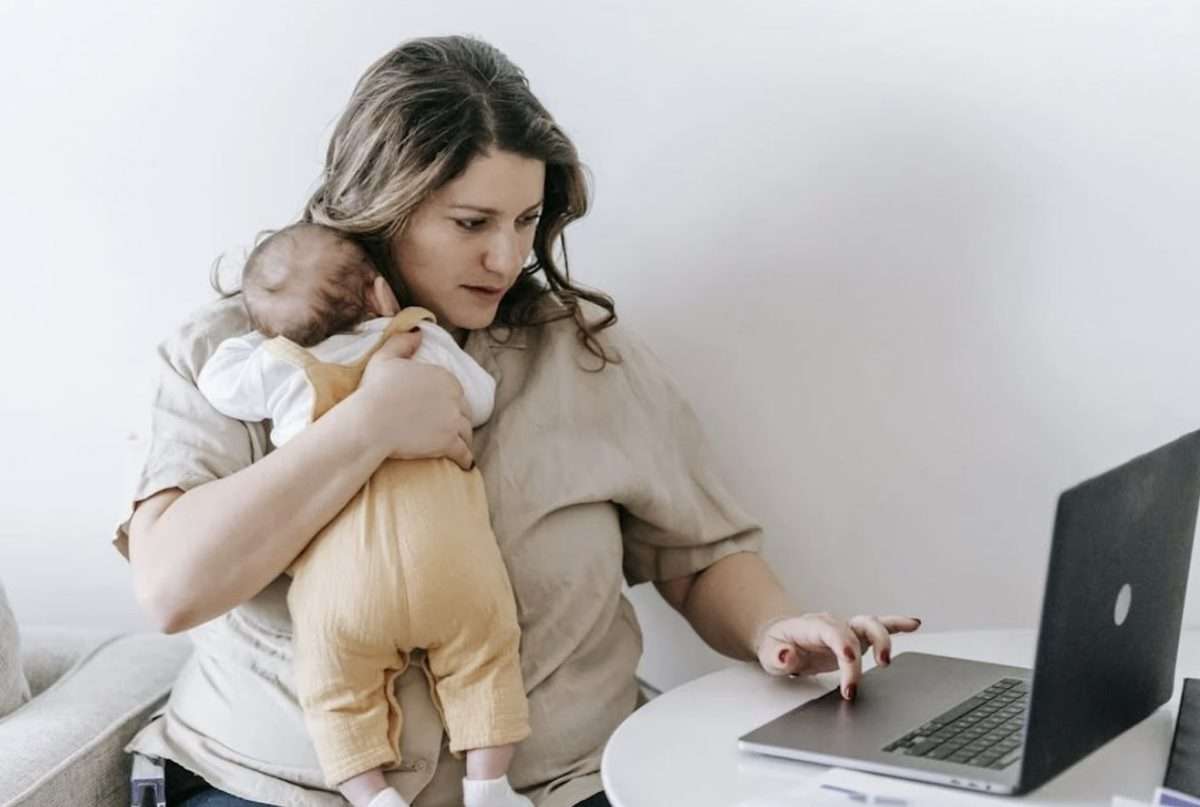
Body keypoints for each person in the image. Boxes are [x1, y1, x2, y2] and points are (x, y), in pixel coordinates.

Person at [117, 35, 921, 807]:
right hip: (280, 786)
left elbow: (698, 555)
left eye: (525, 221)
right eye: (471, 223)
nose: (506, 258)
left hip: (564, 783)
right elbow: (173, 587)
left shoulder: (583, 357)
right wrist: (365, 427)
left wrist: (776, 627)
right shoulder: (234, 356)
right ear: (380, 207)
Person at [196, 222, 533, 807]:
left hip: (344, 585)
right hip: (450, 561)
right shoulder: (418, 338)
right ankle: (489, 787)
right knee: (487, 657)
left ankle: (371, 794)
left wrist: (262, 337)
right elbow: (479, 399)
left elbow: (219, 382)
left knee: (333, 689)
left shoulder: (283, 368)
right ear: (380, 294)